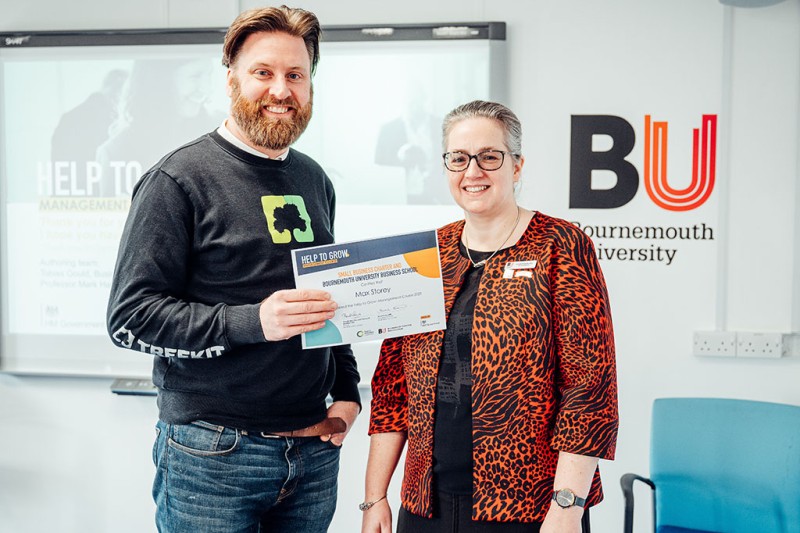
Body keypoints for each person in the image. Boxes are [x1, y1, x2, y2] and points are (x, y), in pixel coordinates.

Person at [106, 6, 360, 533]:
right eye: (263, 72)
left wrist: (349, 393)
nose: (281, 90)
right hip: (213, 455)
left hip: (313, 451)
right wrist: (254, 321)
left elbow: (326, 294)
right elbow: (130, 317)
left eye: (296, 75)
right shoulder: (178, 179)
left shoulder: (314, 178)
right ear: (231, 81)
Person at [361, 100, 618, 533]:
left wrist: (568, 505)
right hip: (426, 504)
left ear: (516, 167)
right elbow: (392, 387)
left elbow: (589, 386)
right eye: (458, 159)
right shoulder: (427, 256)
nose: (472, 171)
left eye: (489, 157)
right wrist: (374, 499)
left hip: (531, 507)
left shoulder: (560, 245)